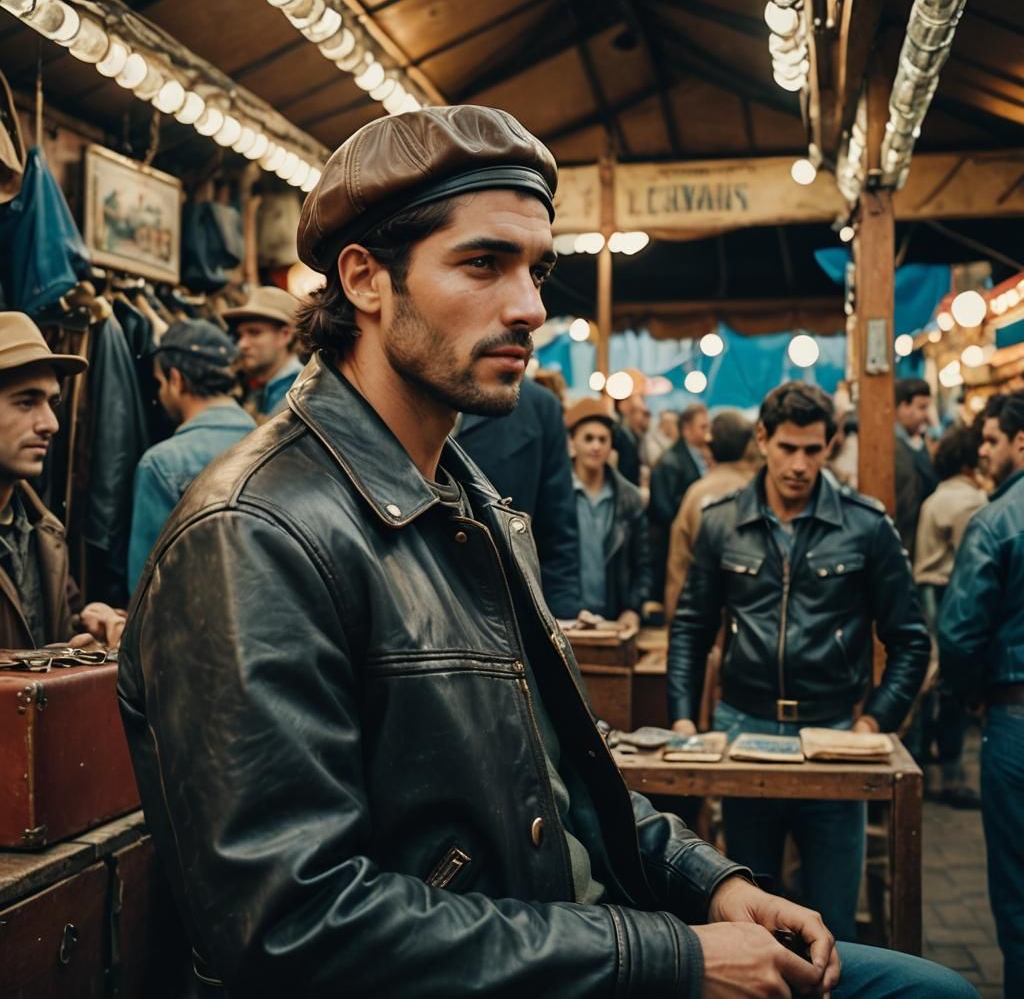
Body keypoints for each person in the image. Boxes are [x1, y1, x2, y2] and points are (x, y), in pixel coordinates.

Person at [119, 108, 974, 999]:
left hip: (580, 943)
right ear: (366, 279)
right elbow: (291, 924)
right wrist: (671, 960)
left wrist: (708, 884)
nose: (530, 306)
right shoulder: (255, 530)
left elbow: (564, 776)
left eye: (537, 269)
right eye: (484, 263)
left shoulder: (471, 504)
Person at [668, 381, 930, 944]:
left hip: (832, 731)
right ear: (762, 439)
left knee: (833, 920)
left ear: (831, 445)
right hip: (744, 729)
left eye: (813, 450)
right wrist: (685, 718)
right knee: (750, 915)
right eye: (787, 447)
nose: (798, 464)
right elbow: (690, 625)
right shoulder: (721, 521)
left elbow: (911, 639)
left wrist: (872, 723)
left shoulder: (866, 524)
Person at [940, 390, 1024, 997]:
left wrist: (970, 698)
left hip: (1015, 715)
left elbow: (960, 633)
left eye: (992, 439)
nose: (984, 451)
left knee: (1019, 897)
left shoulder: (997, 520)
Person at [0, 311, 124, 650]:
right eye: (26, 402)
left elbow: (38, 626)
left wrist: (87, 627)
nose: (51, 423)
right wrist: (39, 668)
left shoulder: (42, 528)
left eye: (53, 402)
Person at [126, 321, 256, 590]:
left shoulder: (162, 464)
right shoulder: (272, 439)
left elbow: (146, 587)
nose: (160, 393)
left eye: (159, 383)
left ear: (176, 379)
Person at [457, 375, 581, 619]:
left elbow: (558, 528)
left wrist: (563, 617)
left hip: (506, 610)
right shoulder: (395, 394)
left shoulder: (537, 406)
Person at [910, 423, 987, 808]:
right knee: (949, 680)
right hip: (946, 591)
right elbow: (972, 561)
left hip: (927, 589)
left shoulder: (937, 497)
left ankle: (924, 761)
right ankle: (949, 776)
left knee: (930, 677)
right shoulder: (969, 503)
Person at [664, 410, 759, 616]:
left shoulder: (696, 494)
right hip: (750, 621)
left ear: (710, 448)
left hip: (703, 618)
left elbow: (678, 570)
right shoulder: (759, 491)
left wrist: (675, 628)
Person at [564, 397, 649, 630]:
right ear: (573, 442)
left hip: (613, 619)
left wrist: (633, 608)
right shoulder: (556, 494)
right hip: (567, 617)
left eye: (603, 439)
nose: (596, 446)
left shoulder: (629, 498)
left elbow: (643, 563)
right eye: (588, 438)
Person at [648, 402, 709, 602]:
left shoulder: (698, 456)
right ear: (687, 430)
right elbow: (662, 507)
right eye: (703, 427)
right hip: (671, 544)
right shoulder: (670, 461)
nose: (708, 433)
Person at [223, 285, 302, 420]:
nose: (242, 344)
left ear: (285, 335)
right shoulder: (255, 388)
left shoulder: (302, 396)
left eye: (254, 332)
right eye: (240, 335)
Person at [894, 377, 937, 558]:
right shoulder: (890, 447)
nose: (926, 415)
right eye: (921, 407)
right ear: (903, 406)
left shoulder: (918, 443)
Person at [611, 391, 650, 486]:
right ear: (622, 406)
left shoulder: (635, 433)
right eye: (635, 411)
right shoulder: (617, 432)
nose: (640, 417)